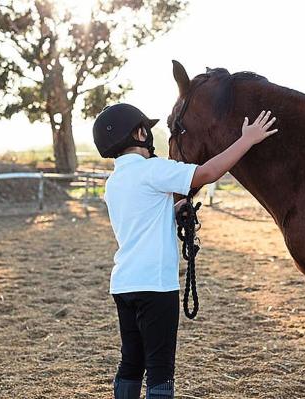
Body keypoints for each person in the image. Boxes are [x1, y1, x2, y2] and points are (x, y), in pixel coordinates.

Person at [92, 103, 277, 399]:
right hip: (156, 286)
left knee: (131, 363)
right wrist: (247, 139)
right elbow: (206, 172)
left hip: (124, 284)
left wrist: (176, 209)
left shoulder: (114, 182)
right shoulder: (152, 169)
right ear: (139, 133)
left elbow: (144, 216)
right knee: (160, 369)